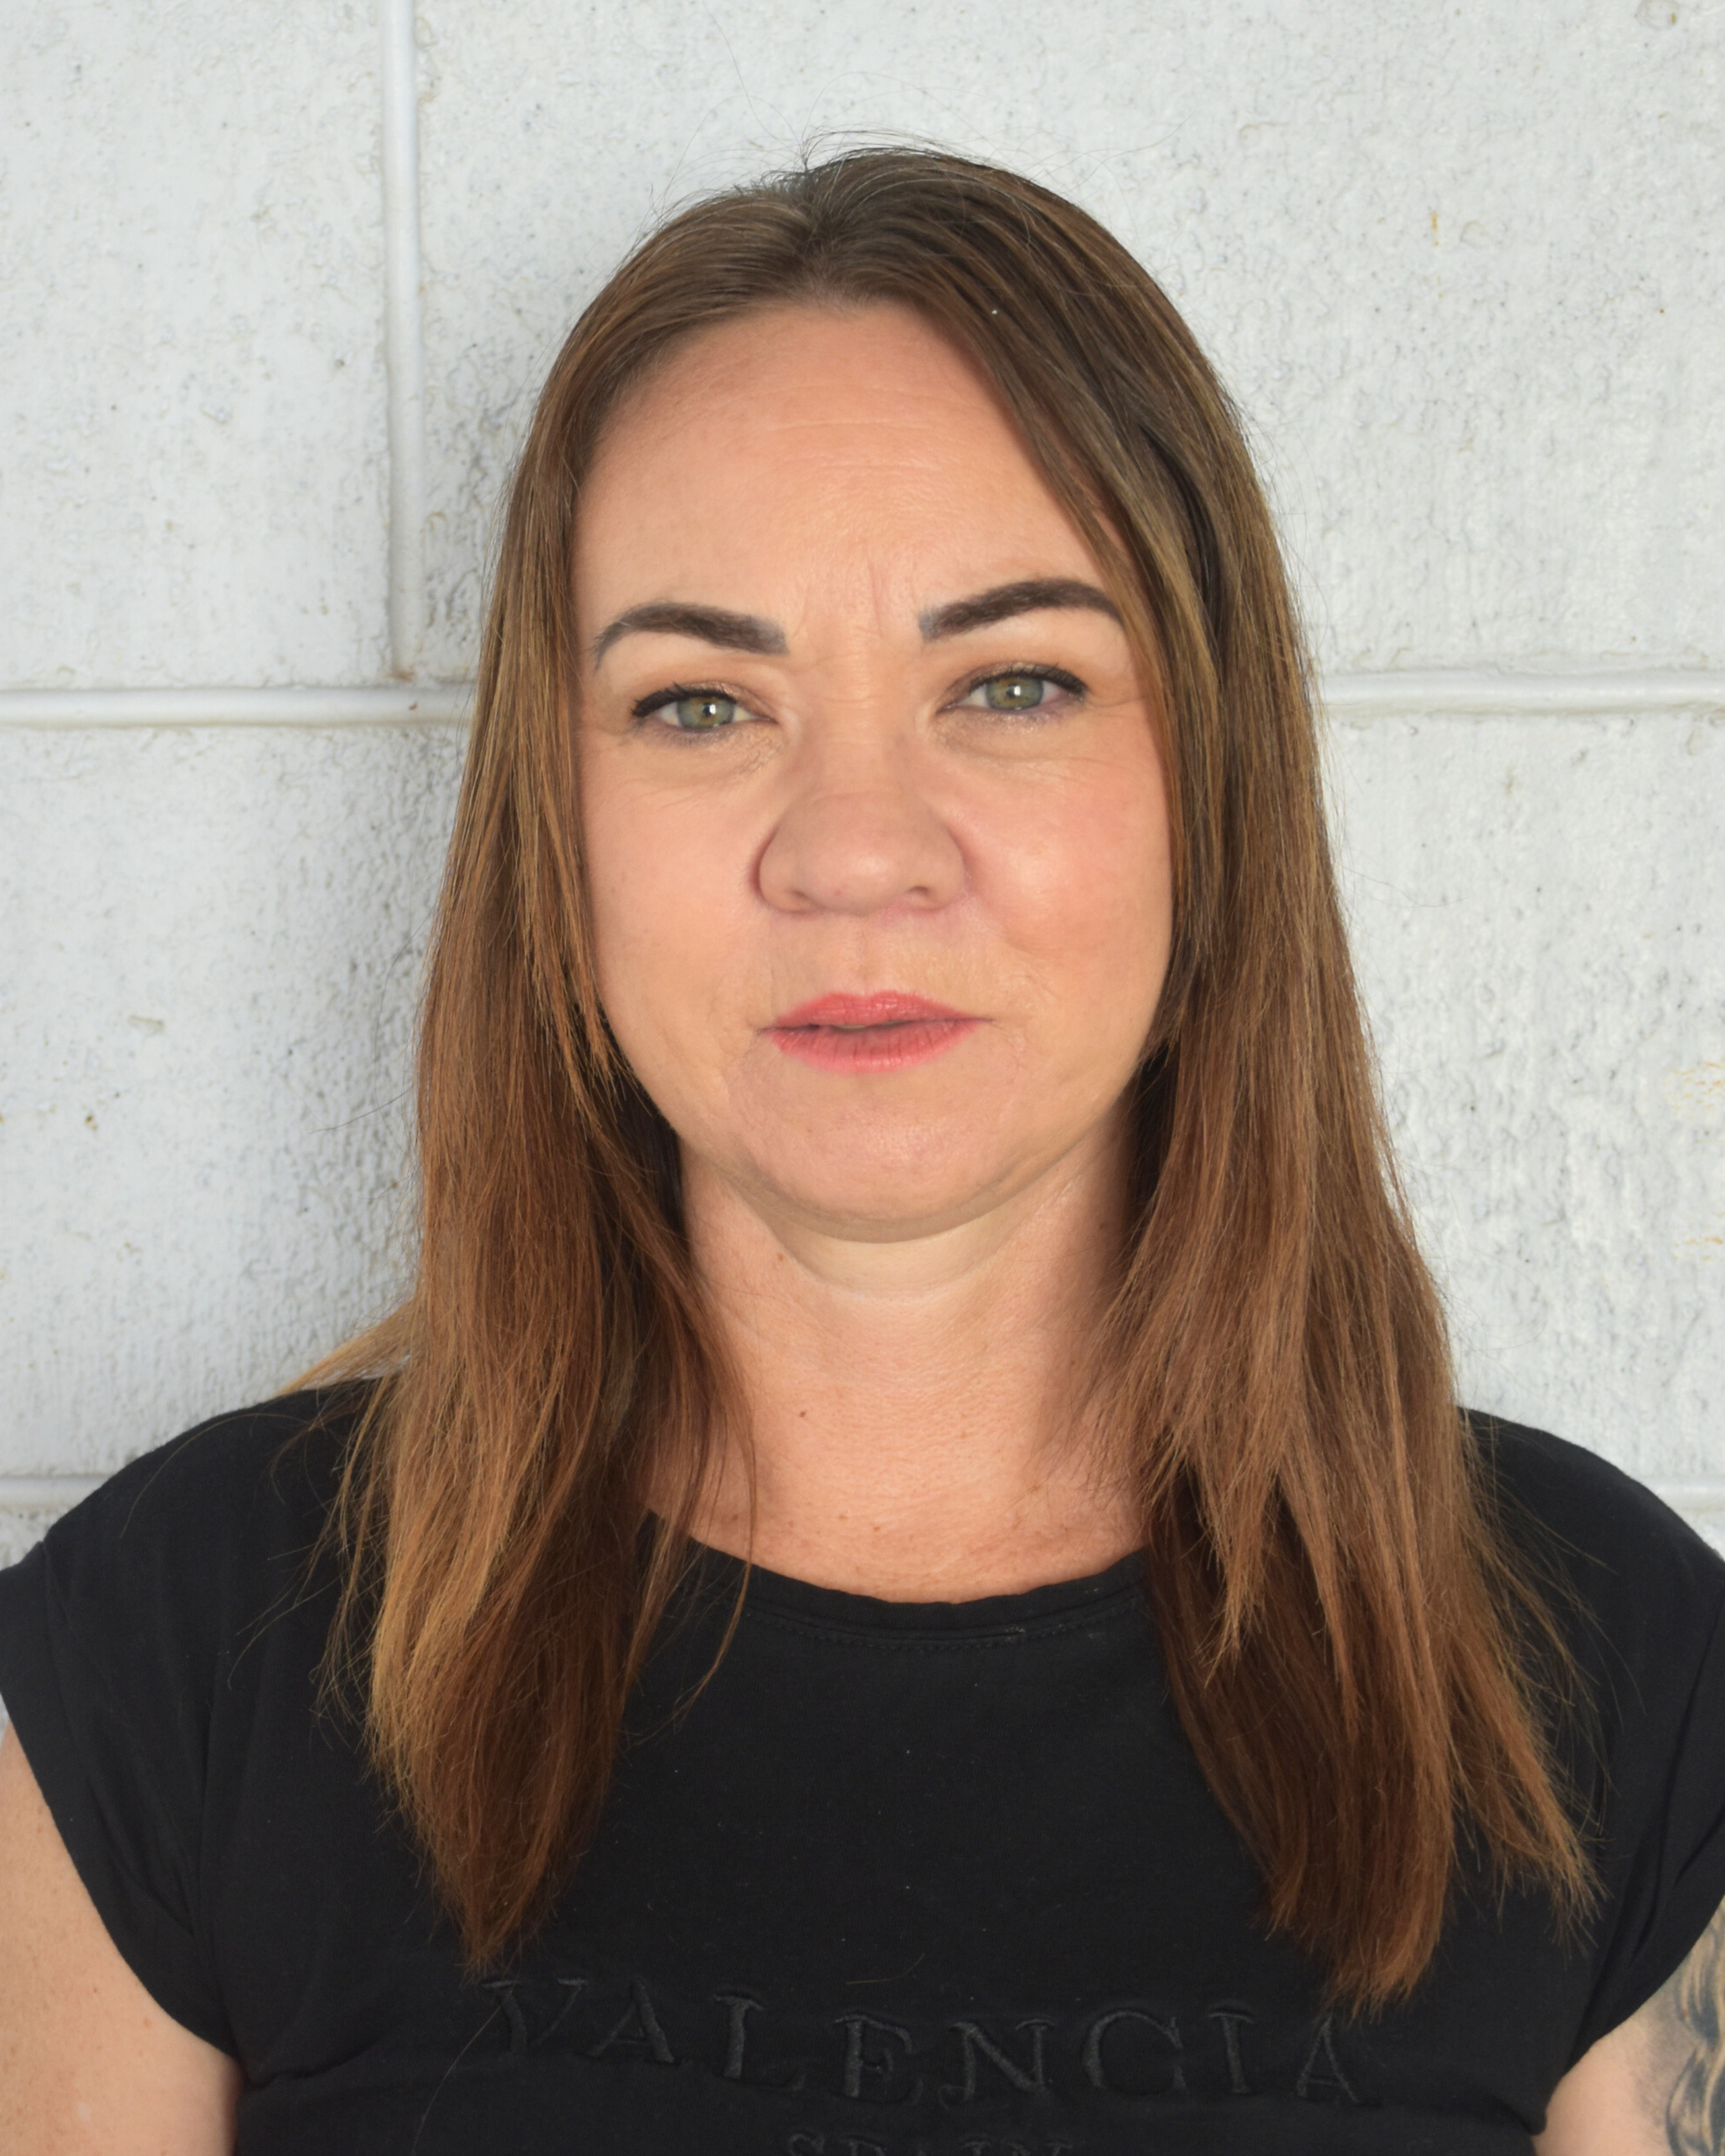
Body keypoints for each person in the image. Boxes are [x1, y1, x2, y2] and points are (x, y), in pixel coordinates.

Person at [0, 146, 1720, 2156]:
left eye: (1011, 682)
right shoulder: (178, 1659)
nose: (849, 849)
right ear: (552, 831)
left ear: (1212, 782)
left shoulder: (1602, 1678)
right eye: (699, 702)